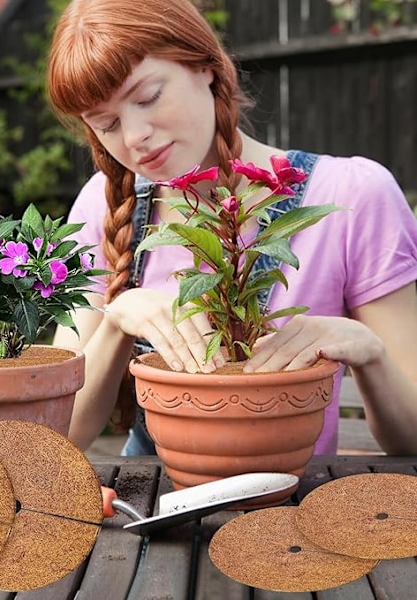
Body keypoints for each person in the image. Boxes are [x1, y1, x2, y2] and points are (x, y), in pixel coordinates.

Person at [47, 0, 417, 456]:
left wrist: (369, 352)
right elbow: (62, 436)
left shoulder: (353, 196)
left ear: (205, 66)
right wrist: (118, 321)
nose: (134, 135)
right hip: (153, 513)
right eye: (106, 124)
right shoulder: (104, 203)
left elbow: (413, 439)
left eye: (148, 97)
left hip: (292, 512)